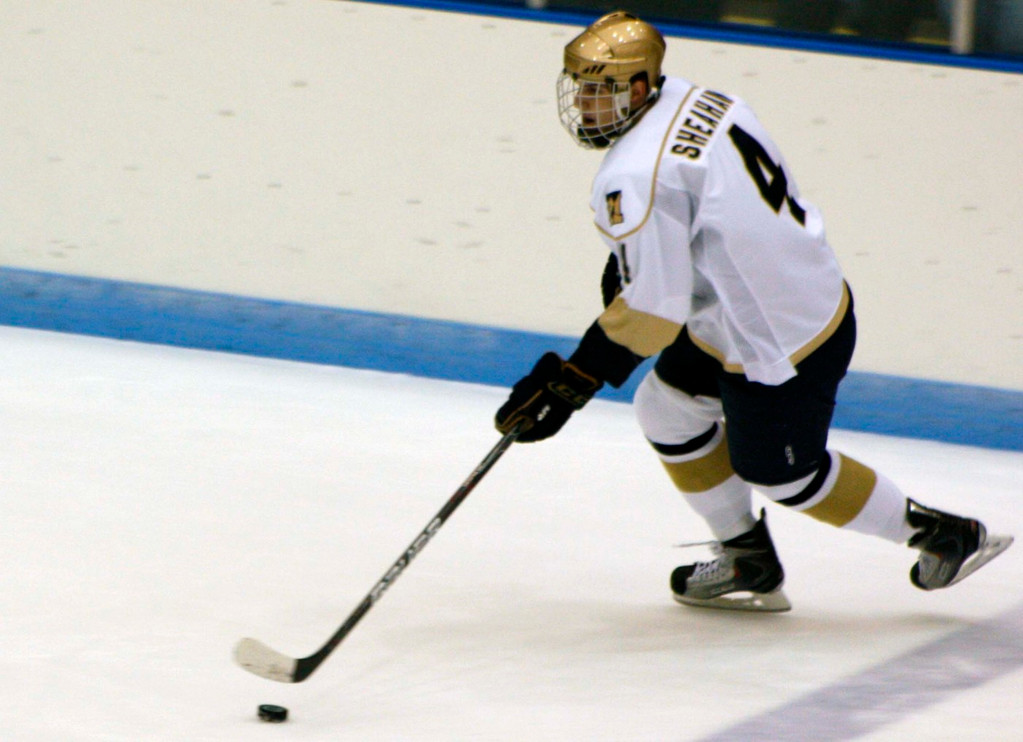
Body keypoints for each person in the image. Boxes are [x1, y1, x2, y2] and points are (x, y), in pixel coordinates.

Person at [493, 11, 1012, 612]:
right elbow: (690, 230)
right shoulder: (701, 98)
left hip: (779, 339)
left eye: (596, 90)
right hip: (781, 296)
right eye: (578, 87)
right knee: (666, 412)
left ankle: (945, 534)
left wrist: (573, 379)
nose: (582, 105)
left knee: (783, 475)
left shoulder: (632, 173)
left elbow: (653, 314)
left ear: (638, 88)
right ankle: (748, 559)